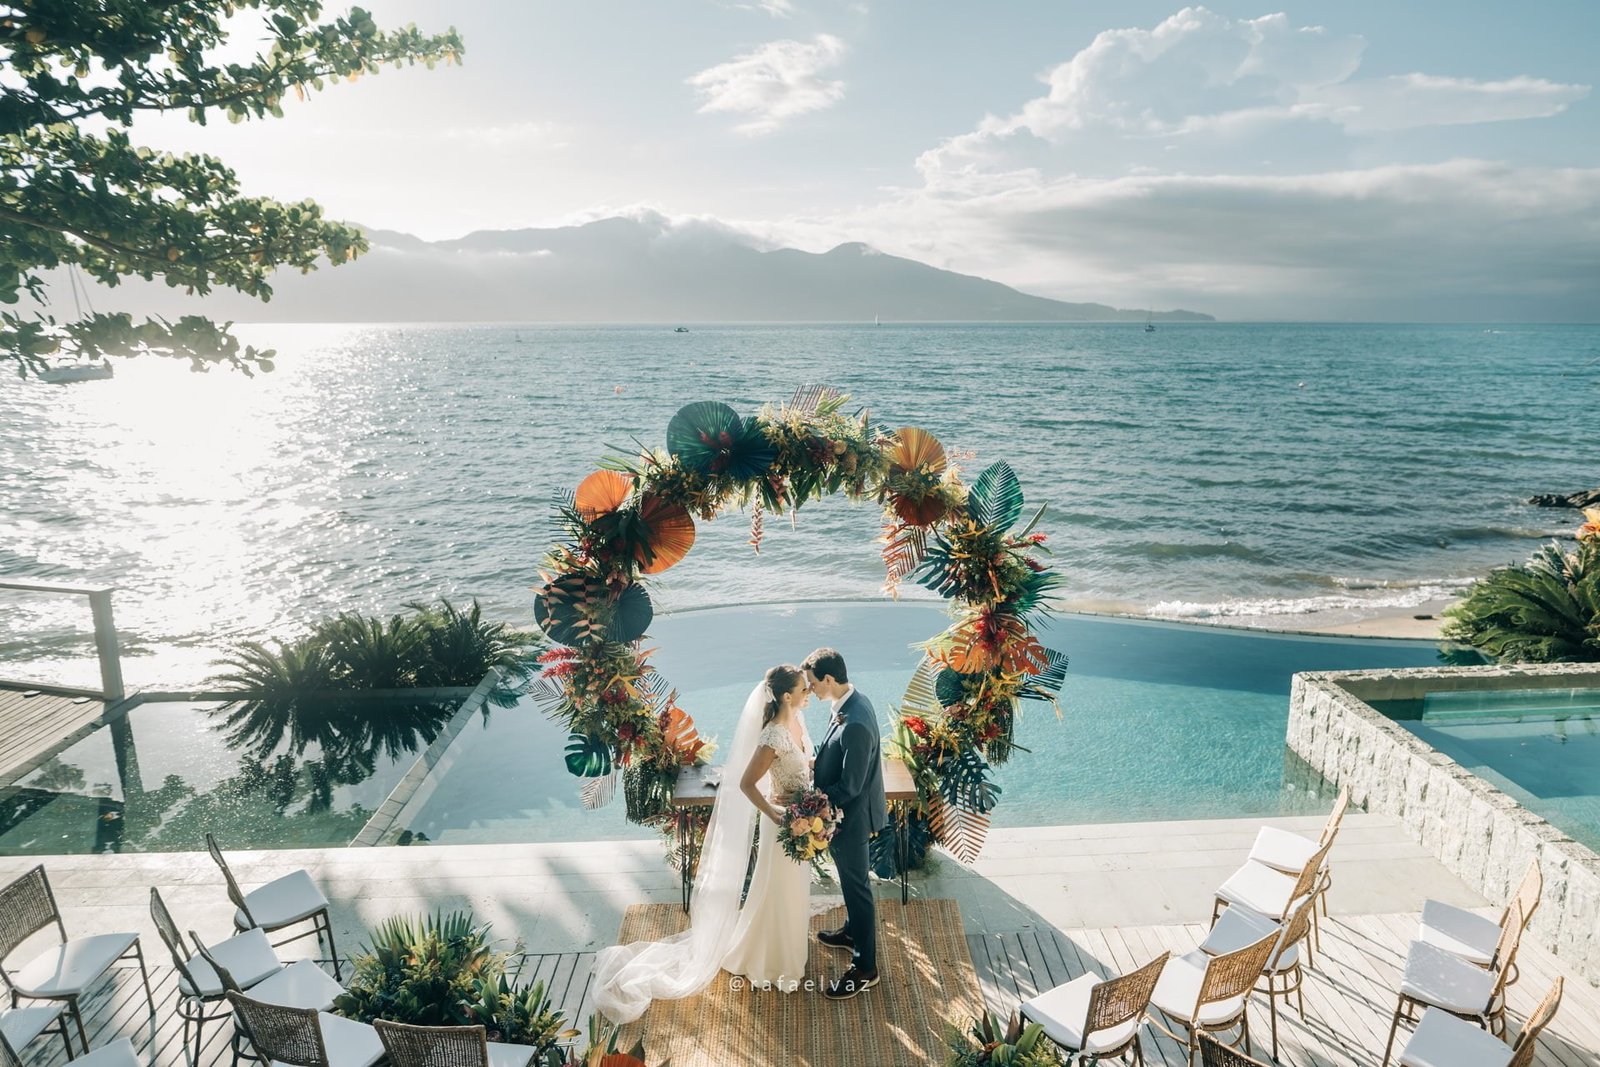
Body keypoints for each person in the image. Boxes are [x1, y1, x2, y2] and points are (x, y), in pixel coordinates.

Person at [592, 664, 814, 1022]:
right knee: (777, 890)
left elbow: (800, 767)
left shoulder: (797, 725)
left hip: (801, 822)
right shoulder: (772, 735)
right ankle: (770, 959)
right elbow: (746, 785)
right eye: (804, 688)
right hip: (782, 825)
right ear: (787, 696)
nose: (810, 693)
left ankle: (786, 949)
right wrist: (774, 815)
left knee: (790, 890)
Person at [804, 646, 887, 1000]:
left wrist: (812, 807)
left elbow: (850, 787)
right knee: (852, 886)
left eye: (811, 683)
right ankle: (853, 932)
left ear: (828, 679)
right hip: (846, 816)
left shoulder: (854, 722)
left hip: (851, 820)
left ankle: (865, 967)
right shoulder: (850, 702)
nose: (809, 689)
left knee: (857, 890)